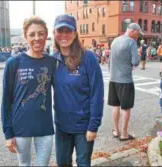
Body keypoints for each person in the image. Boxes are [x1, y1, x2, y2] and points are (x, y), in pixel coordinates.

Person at [1, 16, 56, 166]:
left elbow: (64, 89)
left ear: (46, 35)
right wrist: (8, 133)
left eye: (41, 33)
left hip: (45, 126)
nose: (37, 38)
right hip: (20, 127)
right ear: (25, 37)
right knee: (24, 164)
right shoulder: (14, 62)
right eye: (32, 34)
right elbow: (6, 100)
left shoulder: (52, 62)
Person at [52, 14, 104, 167]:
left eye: (68, 30)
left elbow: (97, 93)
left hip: (83, 126)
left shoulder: (88, 58)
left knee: (83, 163)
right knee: (62, 163)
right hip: (62, 126)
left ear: (75, 34)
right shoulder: (52, 60)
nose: (64, 35)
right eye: (59, 30)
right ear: (54, 33)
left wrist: (93, 125)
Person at [108, 23, 142, 141]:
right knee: (126, 108)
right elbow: (136, 62)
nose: (138, 36)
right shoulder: (131, 42)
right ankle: (124, 134)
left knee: (115, 106)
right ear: (133, 31)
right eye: (137, 34)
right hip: (125, 80)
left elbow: (109, 61)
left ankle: (116, 131)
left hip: (113, 79)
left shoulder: (115, 41)